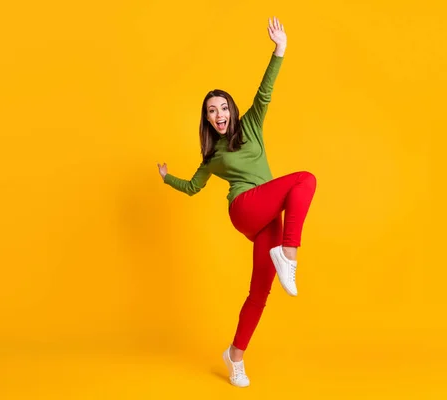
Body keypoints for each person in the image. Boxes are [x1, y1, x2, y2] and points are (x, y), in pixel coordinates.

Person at [157, 16, 316, 388]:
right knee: (305, 180)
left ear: (231, 109)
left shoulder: (252, 125)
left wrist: (279, 49)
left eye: (222, 108)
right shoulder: (213, 156)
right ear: (207, 119)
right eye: (211, 111)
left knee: (259, 293)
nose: (219, 115)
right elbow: (195, 186)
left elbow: (265, 92)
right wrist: (168, 179)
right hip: (244, 208)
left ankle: (235, 356)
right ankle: (289, 256)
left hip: (268, 214)